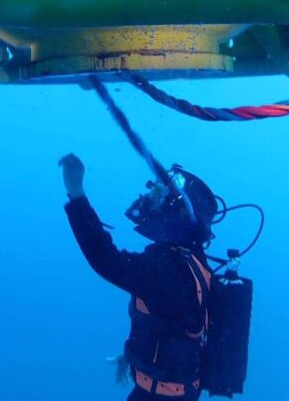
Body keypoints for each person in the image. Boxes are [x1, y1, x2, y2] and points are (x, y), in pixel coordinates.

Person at [59, 153, 217, 401]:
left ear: (176, 210)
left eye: (159, 196)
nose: (148, 200)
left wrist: (76, 193)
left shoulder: (167, 266)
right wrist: (136, 355)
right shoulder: (195, 264)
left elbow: (105, 259)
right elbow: (179, 325)